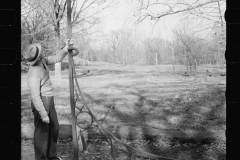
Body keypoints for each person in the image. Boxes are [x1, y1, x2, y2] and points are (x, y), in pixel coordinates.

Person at [23, 39, 73, 160]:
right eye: (40, 51)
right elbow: (35, 97)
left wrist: (66, 48)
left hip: (49, 100)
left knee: (54, 127)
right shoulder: (33, 73)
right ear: (38, 56)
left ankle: (52, 156)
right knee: (42, 133)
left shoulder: (42, 61)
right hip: (41, 103)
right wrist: (44, 114)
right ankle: (40, 158)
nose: (42, 52)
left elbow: (56, 58)